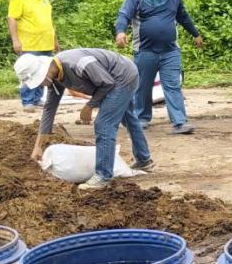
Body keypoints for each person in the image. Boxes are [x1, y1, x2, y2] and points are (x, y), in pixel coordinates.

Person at [15, 49, 152, 190]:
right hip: (114, 78)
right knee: (128, 118)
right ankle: (144, 160)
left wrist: (89, 105)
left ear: (44, 71)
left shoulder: (79, 64)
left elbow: (107, 83)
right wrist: (38, 146)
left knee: (104, 123)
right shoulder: (55, 76)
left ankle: (103, 175)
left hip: (122, 76)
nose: (40, 85)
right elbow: (49, 109)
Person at [115, 0, 203, 135]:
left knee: (172, 85)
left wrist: (195, 34)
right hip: (145, 51)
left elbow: (183, 16)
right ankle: (142, 118)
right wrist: (120, 32)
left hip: (170, 50)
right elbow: (124, 15)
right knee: (142, 86)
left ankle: (179, 122)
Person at [7, 0, 59, 109]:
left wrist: (55, 39)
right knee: (30, 71)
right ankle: (28, 100)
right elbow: (12, 19)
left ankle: (37, 99)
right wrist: (15, 40)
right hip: (30, 44)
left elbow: (49, 20)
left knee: (44, 71)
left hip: (46, 43)